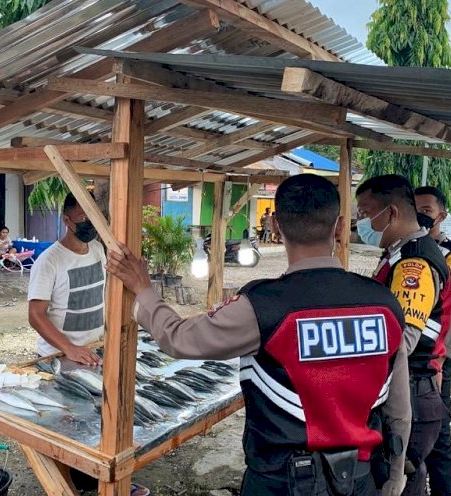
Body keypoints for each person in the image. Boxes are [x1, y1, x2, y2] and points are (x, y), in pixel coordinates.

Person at [108, 174, 411, 496]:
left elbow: (178, 338)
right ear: (338, 226)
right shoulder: (385, 305)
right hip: (359, 480)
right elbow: (400, 410)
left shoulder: (263, 307)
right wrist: (394, 477)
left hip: (282, 482)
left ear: (277, 226)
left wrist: (143, 289)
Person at [27, 192, 150, 496]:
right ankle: (68, 486)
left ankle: (93, 479)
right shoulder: (49, 262)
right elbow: (35, 315)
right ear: (66, 220)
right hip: (57, 356)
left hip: (94, 350)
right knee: (65, 425)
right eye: (81, 218)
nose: (87, 224)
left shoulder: (97, 250)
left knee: (96, 417)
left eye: (91, 217)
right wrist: (68, 348)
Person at [355, 175, 451, 496]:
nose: (362, 222)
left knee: (400, 477)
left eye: (366, 213)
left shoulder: (416, 263)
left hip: (409, 390)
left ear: (392, 214)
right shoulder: (399, 252)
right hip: (403, 386)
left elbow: (403, 341)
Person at [415, 187, 451, 496]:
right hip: (416, 358)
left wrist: (440, 362)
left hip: (437, 360)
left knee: (439, 435)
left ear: (442, 215)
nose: (421, 214)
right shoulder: (410, 250)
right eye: (415, 208)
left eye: (426, 208)